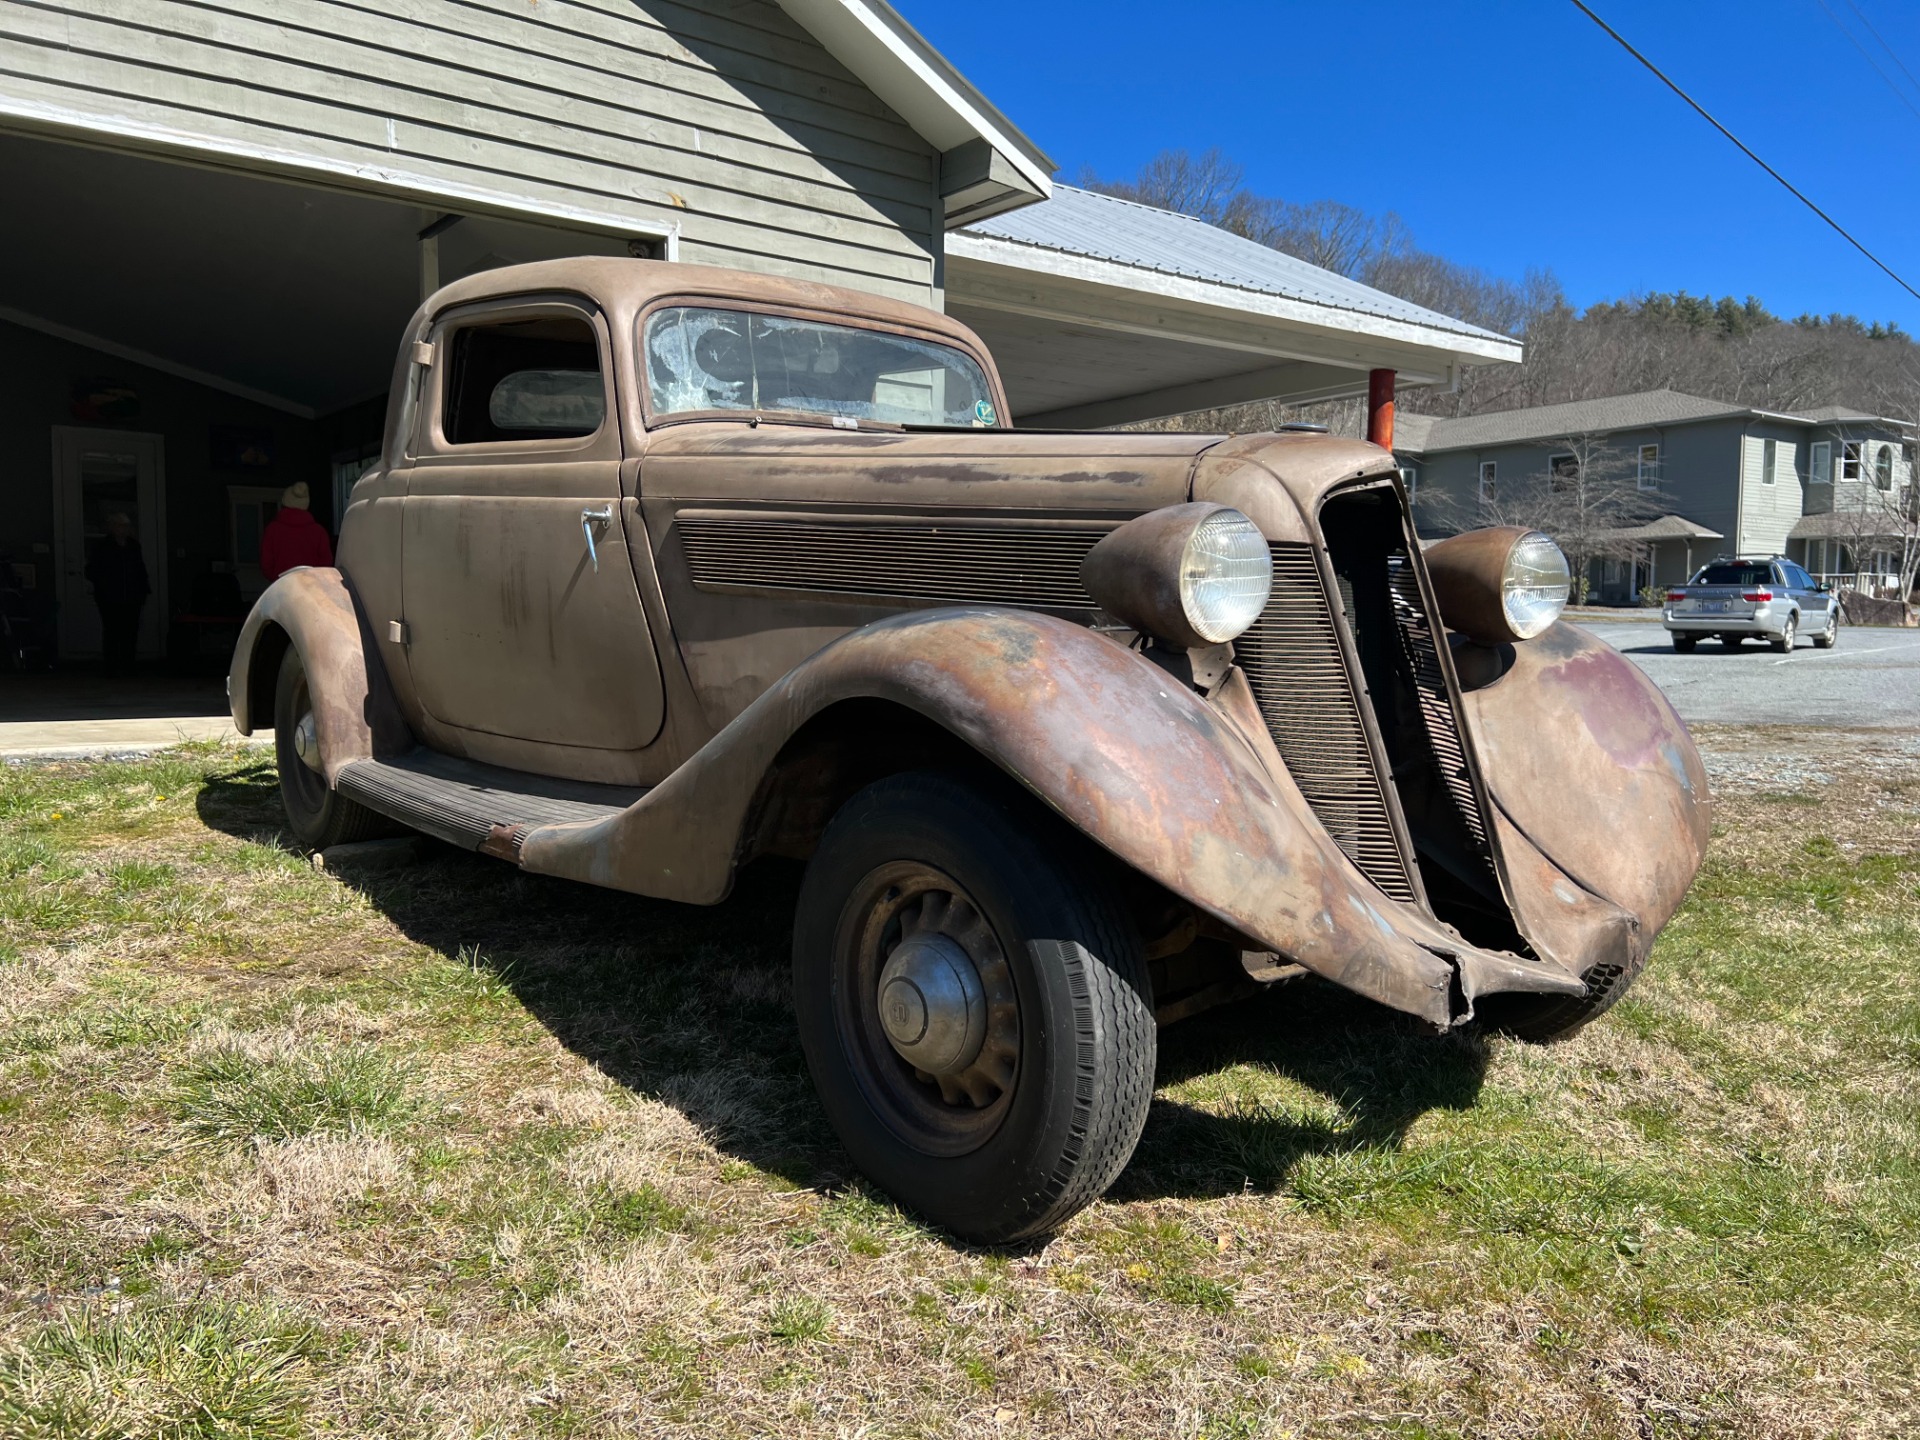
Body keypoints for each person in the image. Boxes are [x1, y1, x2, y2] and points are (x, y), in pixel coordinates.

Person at [86, 511, 149, 675]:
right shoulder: (102, 547)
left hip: (132, 596)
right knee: (112, 631)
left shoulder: (134, 546)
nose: (124, 529)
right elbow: (92, 570)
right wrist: (105, 584)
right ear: (112, 527)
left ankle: (128, 666)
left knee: (130, 631)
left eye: (126, 526)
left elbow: (140, 569)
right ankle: (111, 667)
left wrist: (143, 590)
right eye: (120, 525)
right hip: (109, 596)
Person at [259, 482, 334, 583]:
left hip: (281, 588)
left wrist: (276, 578)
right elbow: (326, 565)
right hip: (311, 590)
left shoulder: (272, 530)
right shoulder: (319, 532)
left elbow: (266, 565)